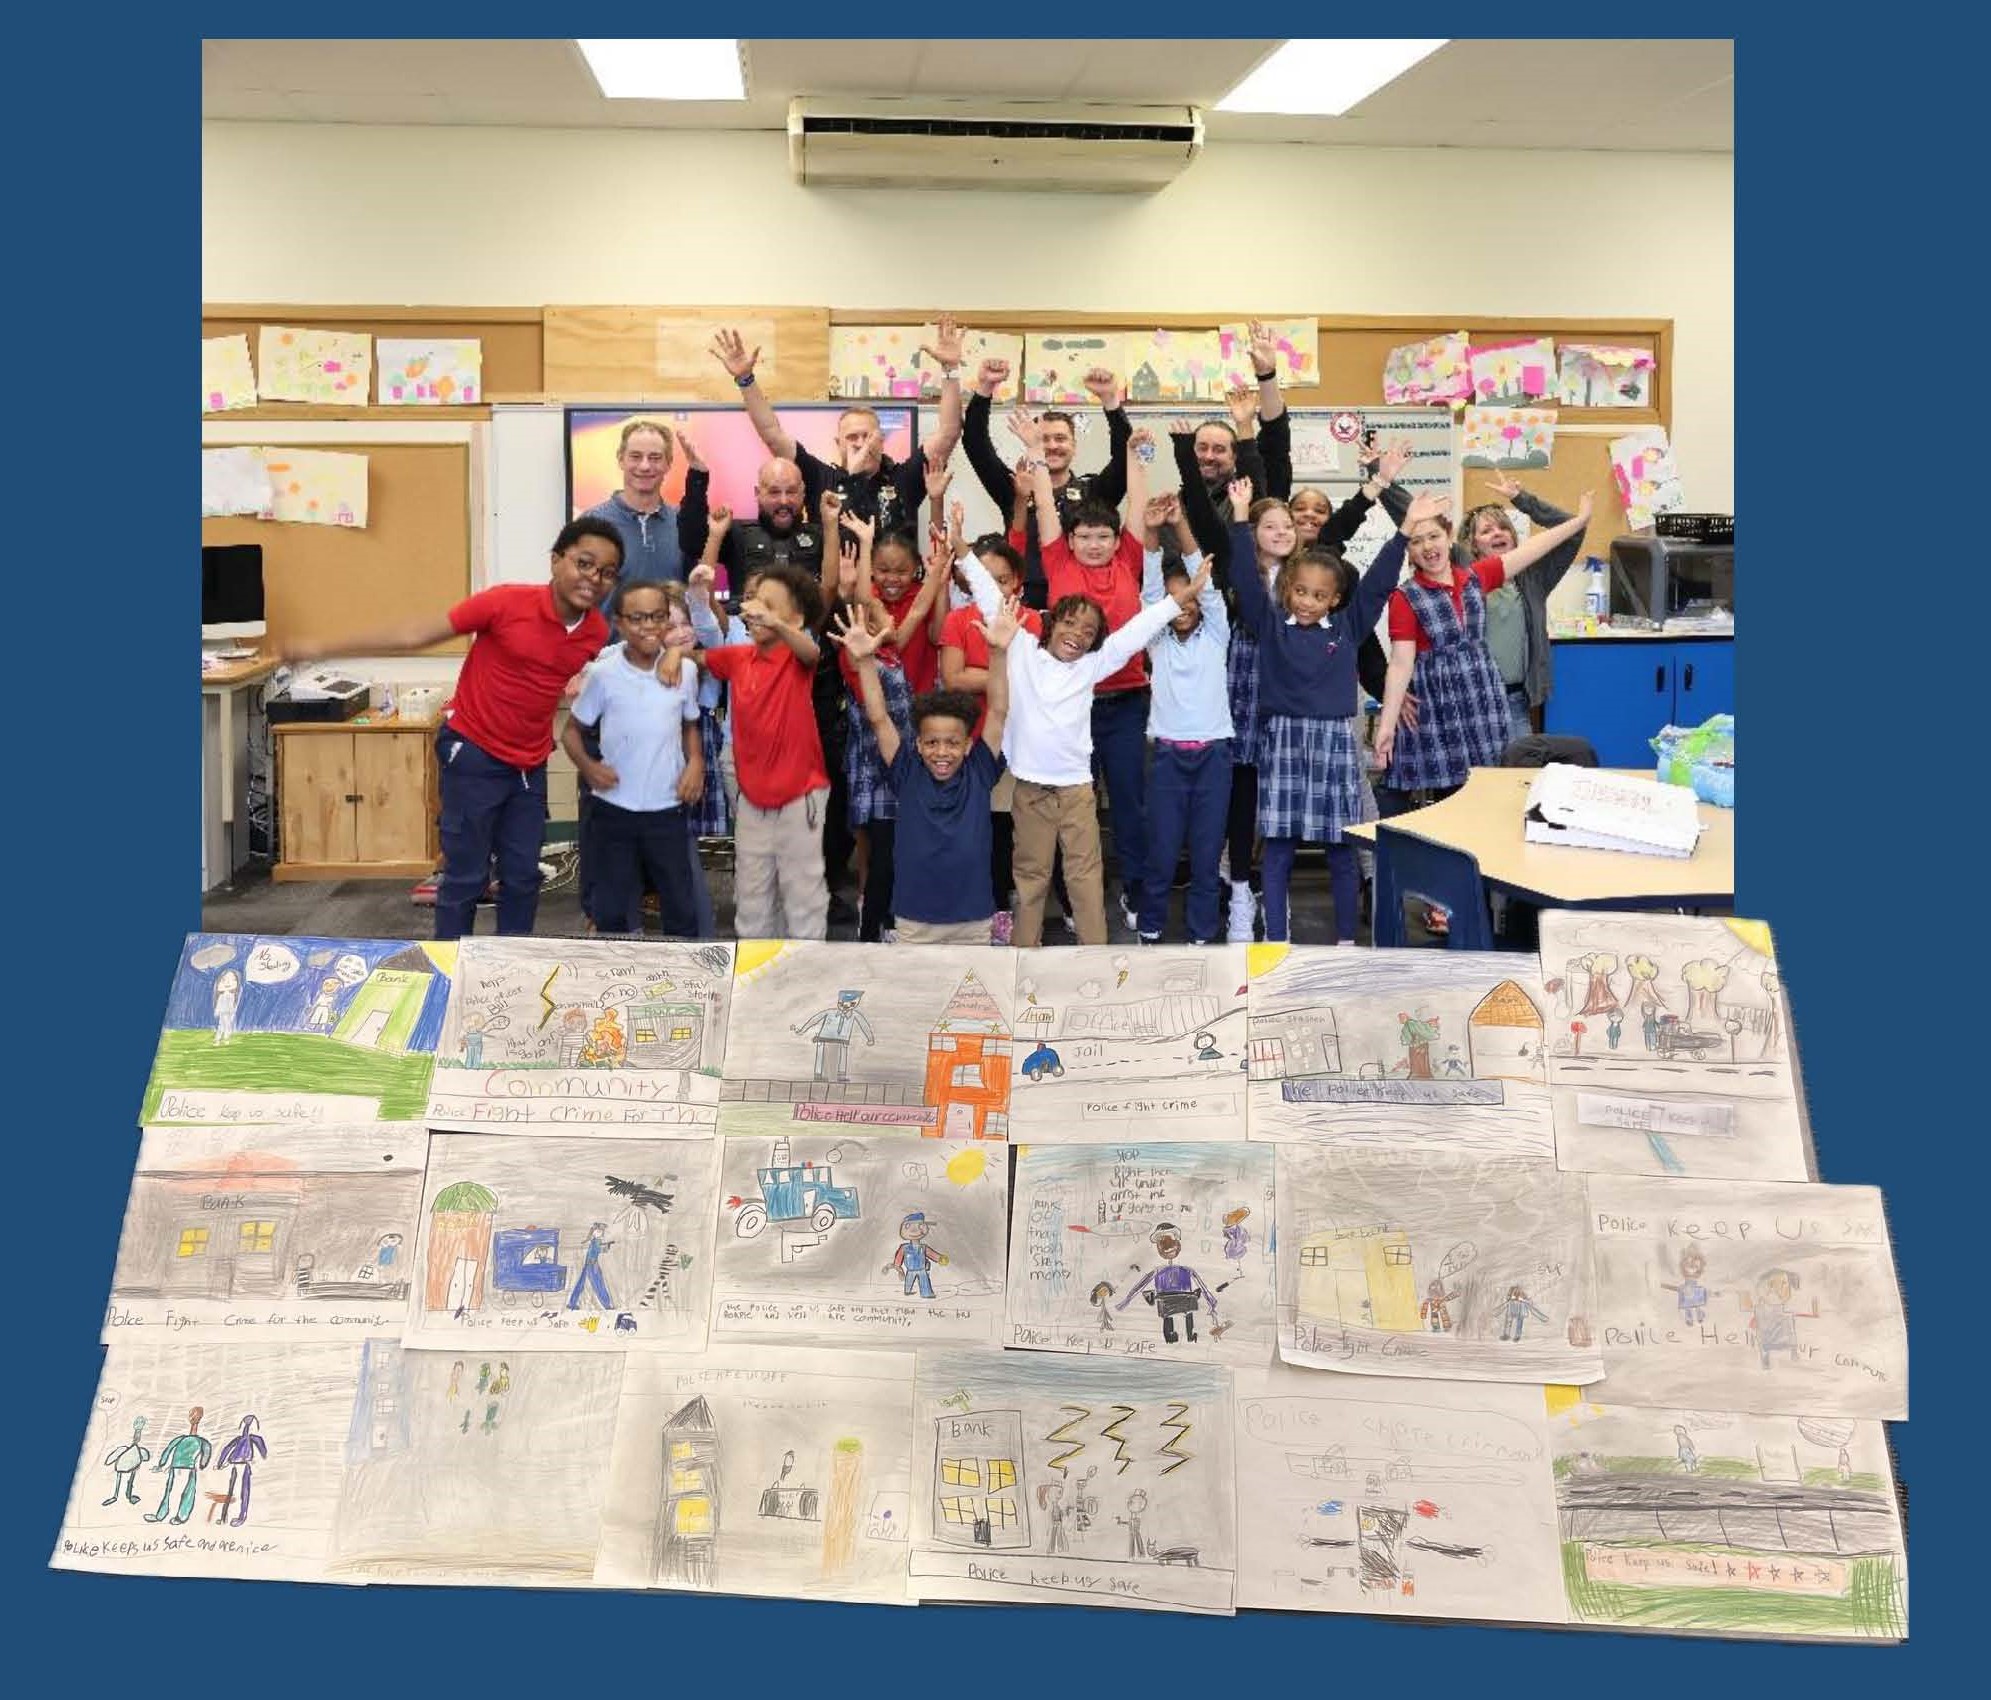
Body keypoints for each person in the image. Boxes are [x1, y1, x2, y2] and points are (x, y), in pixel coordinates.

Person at [285, 518, 621, 939]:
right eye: (584, 563)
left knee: (522, 878)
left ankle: (508, 966)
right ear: (556, 560)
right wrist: (322, 647)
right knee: (466, 877)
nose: (594, 578)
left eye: (607, 572)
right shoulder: (505, 603)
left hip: (529, 765)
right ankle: (448, 964)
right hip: (473, 753)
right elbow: (414, 635)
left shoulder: (595, 632)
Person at [954, 533, 1203, 948]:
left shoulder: (1091, 666)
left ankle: (1094, 959)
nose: (1078, 634)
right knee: (1030, 877)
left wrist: (1178, 600)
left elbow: (1135, 632)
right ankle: (1024, 954)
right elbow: (989, 595)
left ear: (1094, 642)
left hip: (1076, 792)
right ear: (1050, 624)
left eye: (1089, 631)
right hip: (1030, 790)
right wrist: (962, 551)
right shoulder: (1022, 650)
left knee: (1085, 878)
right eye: (1069, 623)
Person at [1228, 480, 1429, 946]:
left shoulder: (1348, 627)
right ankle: (1276, 939)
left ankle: (1345, 942)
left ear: (1334, 599)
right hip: (1282, 740)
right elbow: (1244, 580)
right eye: (1299, 591)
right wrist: (1240, 518)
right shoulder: (1270, 626)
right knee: (1278, 847)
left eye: (1318, 595)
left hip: (1335, 743)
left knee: (1341, 846)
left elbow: (1377, 584)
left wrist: (1405, 530)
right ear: (1286, 591)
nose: (1307, 601)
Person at [1006, 413, 1164, 932]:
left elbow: (1137, 505)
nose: (1094, 544)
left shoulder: (1129, 560)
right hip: (1070, 707)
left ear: (1117, 541)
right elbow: (1045, 502)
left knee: (1129, 805)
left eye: (1103, 536)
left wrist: (1136, 454)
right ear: (1069, 541)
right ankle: (1070, 902)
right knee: (1066, 805)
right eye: (1085, 536)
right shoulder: (1058, 562)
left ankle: (1135, 892)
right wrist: (1034, 450)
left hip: (1126, 703)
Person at [1376, 493, 1595, 797]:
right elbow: (1400, 665)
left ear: (1448, 537)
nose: (1427, 547)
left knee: (1497, 786)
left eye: (1434, 536)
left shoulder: (1477, 577)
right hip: (1439, 708)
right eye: (1416, 541)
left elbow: (1535, 547)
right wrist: (1386, 727)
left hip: (1484, 701)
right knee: (1450, 795)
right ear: (1408, 551)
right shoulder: (1404, 597)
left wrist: (1580, 520)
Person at [832, 586, 1017, 946]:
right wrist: (866, 661)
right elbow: (879, 717)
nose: (941, 752)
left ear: (968, 745)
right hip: (914, 923)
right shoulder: (907, 772)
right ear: (917, 744)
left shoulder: (980, 771)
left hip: (974, 921)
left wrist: (997, 653)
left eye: (952, 743)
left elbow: (997, 711)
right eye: (931, 743)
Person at [710, 318, 966, 538]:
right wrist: (745, 379)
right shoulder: (820, 477)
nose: (860, 443)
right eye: (852, 437)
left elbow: (949, 432)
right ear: (838, 444)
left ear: (881, 440)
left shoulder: (903, 478)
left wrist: (950, 370)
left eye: (867, 436)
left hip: (893, 582)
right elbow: (772, 435)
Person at [829, 506, 950, 941]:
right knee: (876, 833)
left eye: (901, 571)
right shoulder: (862, 649)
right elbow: (883, 607)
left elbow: (913, 614)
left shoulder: (897, 631)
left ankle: (893, 913)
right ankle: (874, 914)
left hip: (911, 737)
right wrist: (865, 547)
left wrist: (937, 574)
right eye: (881, 572)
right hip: (874, 742)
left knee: (902, 833)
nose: (885, 618)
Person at [560, 580, 703, 937]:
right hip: (614, 810)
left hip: (667, 808)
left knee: (680, 906)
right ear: (619, 623)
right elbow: (571, 732)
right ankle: (616, 966)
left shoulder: (684, 672)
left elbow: (690, 724)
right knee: (611, 909)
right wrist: (589, 767)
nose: (648, 626)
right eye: (637, 618)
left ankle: (679, 968)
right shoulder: (603, 675)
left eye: (657, 617)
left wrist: (696, 762)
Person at [701, 565, 830, 939]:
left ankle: (805, 965)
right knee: (752, 894)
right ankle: (757, 965)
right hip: (752, 800)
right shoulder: (739, 657)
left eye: (770, 606)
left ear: (796, 619)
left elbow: (811, 652)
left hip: (800, 797)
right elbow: (702, 658)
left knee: (802, 895)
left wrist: (778, 624)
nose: (757, 612)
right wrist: (678, 657)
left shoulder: (796, 657)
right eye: (755, 602)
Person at [1135, 495, 1231, 944]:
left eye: (1189, 596)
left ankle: (1202, 934)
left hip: (1213, 757)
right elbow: (1151, 593)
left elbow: (1204, 586)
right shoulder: (1156, 640)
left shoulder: (1216, 635)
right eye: (1175, 599)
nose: (1183, 604)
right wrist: (1152, 532)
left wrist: (1180, 525)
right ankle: (1151, 928)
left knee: (1207, 857)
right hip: (1168, 759)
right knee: (1162, 852)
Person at [938, 533, 1043, 941]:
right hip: (976, 741)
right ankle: (980, 905)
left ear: (1017, 581)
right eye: (986, 578)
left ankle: (1010, 904)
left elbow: (1037, 678)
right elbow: (953, 678)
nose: (996, 588)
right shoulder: (958, 620)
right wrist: (1006, 676)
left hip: (1022, 740)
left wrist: (986, 676)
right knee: (978, 829)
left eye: (1003, 579)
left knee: (1015, 829)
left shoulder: (1032, 621)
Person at [961, 359, 1131, 607]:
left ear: (1074, 445)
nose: (1052, 446)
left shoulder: (1093, 493)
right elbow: (976, 445)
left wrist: (1110, 401)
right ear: (1030, 442)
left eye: (1060, 438)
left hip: (1078, 606)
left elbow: (1126, 459)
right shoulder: (1016, 488)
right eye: (1043, 439)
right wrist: (985, 388)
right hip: (1024, 602)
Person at [584, 418, 688, 596]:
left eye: (655, 458)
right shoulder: (591, 524)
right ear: (621, 459)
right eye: (635, 456)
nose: (645, 466)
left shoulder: (685, 523)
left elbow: (698, 597)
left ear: (668, 463)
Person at [1114, 1222, 1219, 1344]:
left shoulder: (1185, 1270)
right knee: (1171, 1317)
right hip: (1168, 1300)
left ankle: (1188, 1336)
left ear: (1177, 1243)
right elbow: (1140, 1286)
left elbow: (1202, 1286)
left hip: (1184, 1298)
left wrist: (1211, 1301)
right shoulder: (1160, 1271)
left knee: (1184, 1315)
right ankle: (1174, 1337)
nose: (1167, 1246)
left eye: (1169, 1241)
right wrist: (1126, 1301)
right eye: (1162, 1242)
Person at [144, 1407, 212, 1525]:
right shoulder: (192, 1440)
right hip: (179, 1468)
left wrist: (162, 1463)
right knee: (175, 1492)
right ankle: (167, 1515)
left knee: (182, 1493)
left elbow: (169, 1449)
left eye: (194, 1416)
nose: (193, 1418)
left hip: (184, 1468)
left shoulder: (191, 1440)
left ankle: (177, 1516)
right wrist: (162, 1464)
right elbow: (169, 1449)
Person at [794, 989, 875, 1083]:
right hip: (824, 1038)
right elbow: (815, 1019)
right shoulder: (830, 1012)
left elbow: (864, 1025)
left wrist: (870, 1038)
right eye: (841, 1004)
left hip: (842, 1040)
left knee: (842, 1058)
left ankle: (841, 1076)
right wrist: (802, 1030)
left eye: (850, 1004)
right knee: (821, 1058)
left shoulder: (854, 1015)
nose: (845, 1007)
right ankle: (818, 1076)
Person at [215, 1413, 268, 1527]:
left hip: (243, 1466)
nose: (246, 1428)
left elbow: (264, 1453)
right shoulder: (243, 1439)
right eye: (246, 1424)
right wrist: (220, 1464)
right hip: (235, 1466)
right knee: (232, 1492)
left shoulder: (253, 1438)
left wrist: (220, 1463)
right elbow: (227, 1449)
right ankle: (224, 1517)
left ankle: (241, 1517)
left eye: (248, 1424)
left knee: (243, 1492)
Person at [886, 1211, 950, 1299]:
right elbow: (899, 1258)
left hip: (922, 1269)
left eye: (919, 1226)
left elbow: (931, 1254)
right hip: (910, 1270)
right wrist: (898, 1268)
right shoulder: (904, 1248)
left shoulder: (923, 1247)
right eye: (908, 1226)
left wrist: (939, 1258)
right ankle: (908, 1291)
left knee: (924, 1280)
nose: (914, 1231)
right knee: (909, 1281)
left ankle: (926, 1293)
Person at [101, 1416, 149, 1506]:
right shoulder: (128, 1450)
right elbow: (109, 1460)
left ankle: (126, 1495)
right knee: (130, 1473)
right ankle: (118, 1496)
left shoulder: (139, 1451)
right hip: (124, 1465)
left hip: (129, 1464)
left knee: (132, 1473)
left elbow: (146, 1458)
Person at [567, 1222, 614, 1311]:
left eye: (602, 1231)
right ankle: (607, 1304)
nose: (603, 1233)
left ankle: (572, 1303)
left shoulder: (594, 1241)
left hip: (588, 1264)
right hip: (592, 1265)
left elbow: (599, 1249)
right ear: (596, 1232)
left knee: (581, 1284)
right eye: (601, 1231)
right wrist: (607, 1246)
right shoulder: (596, 1241)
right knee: (599, 1284)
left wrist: (607, 1246)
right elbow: (600, 1250)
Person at [211, 969, 242, 1045]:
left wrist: (232, 1012)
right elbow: (219, 1004)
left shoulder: (232, 996)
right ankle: (222, 1039)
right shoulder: (222, 996)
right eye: (224, 980)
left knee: (224, 1025)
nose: (228, 982)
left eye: (233, 980)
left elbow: (232, 1005)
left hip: (228, 1012)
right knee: (224, 1025)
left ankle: (221, 1039)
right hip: (223, 1012)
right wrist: (217, 1011)